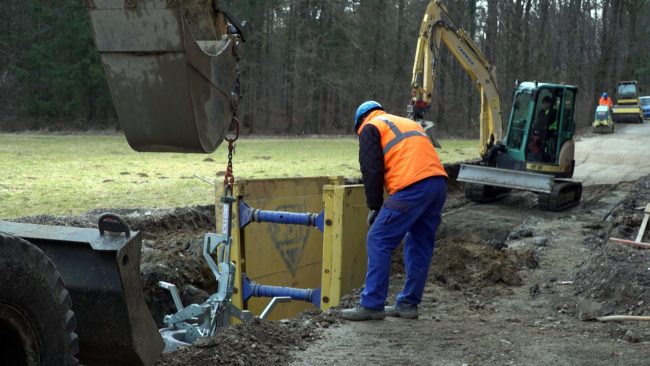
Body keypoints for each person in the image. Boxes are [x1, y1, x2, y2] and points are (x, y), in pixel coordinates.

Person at [340, 101, 448, 321]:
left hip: (412, 186)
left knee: (378, 239)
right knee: (419, 243)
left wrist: (375, 206)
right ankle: (408, 304)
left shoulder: (370, 127)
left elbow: (371, 169)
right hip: (438, 184)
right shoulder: (407, 123)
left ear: (360, 120)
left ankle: (372, 304)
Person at [527, 96, 556, 161]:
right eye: (543, 103)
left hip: (548, 132)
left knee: (535, 140)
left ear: (549, 103)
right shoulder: (542, 111)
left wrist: (538, 128)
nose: (544, 105)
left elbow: (545, 122)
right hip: (540, 131)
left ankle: (536, 156)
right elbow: (538, 121)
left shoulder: (553, 112)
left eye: (545, 103)